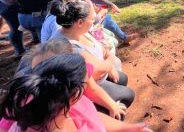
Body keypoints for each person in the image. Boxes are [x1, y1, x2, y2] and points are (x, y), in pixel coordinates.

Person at [0, 52, 152, 132]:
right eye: (88, 77)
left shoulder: (58, 99)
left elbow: (92, 117)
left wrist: (128, 128)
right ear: (76, 93)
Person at [49, 0, 135, 109]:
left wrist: (109, 64)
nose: (94, 21)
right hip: (86, 88)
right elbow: (98, 71)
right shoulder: (70, 47)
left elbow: (102, 48)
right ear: (80, 22)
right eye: (92, 19)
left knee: (122, 78)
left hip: (98, 76)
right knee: (129, 94)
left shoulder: (76, 30)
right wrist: (110, 60)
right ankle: (104, 114)